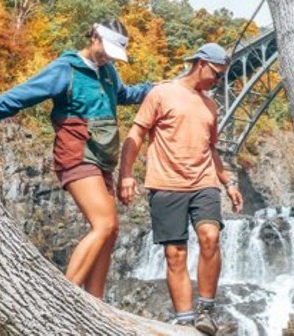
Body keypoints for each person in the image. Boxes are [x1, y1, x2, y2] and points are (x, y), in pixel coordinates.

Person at [0, 19, 152, 299]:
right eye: (104, 49)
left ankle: (95, 303)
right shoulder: (65, 68)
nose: (107, 57)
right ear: (93, 36)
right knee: (104, 224)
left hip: (102, 157)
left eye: (113, 54)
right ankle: (65, 300)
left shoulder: (108, 71)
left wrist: (159, 88)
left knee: (112, 230)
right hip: (77, 154)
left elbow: (125, 95)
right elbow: (24, 94)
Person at [117, 43, 243, 335]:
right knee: (175, 254)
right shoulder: (161, 93)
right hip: (165, 184)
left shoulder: (210, 106)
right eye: (216, 73)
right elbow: (136, 133)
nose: (218, 80)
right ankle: (186, 320)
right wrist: (126, 175)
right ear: (200, 63)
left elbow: (211, 149)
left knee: (210, 237)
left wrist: (229, 183)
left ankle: (206, 311)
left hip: (204, 183)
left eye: (222, 75)